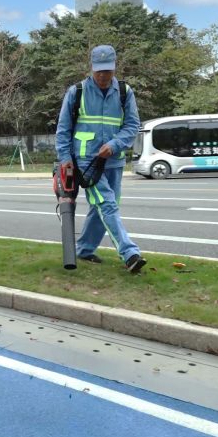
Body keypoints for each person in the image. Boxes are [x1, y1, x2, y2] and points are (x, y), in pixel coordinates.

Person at [55, 44, 146, 273]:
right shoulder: (77, 92)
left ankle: (84, 249)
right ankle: (129, 253)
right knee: (107, 204)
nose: (103, 75)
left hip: (114, 160)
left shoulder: (125, 92)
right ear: (91, 68)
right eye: (99, 71)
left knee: (101, 208)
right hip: (86, 161)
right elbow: (63, 129)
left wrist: (115, 145)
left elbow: (133, 125)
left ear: (115, 67)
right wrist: (65, 159)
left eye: (108, 70)